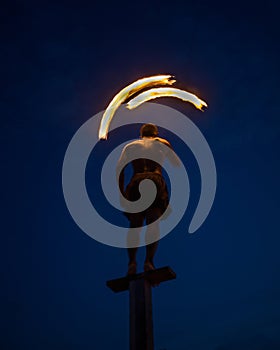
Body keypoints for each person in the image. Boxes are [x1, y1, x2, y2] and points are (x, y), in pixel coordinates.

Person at [116, 123, 180, 275]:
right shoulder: (161, 143)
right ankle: (149, 262)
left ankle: (131, 263)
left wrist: (122, 194)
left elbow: (119, 170)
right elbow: (176, 164)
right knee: (153, 221)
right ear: (155, 133)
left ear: (141, 134)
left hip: (136, 181)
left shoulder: (130, 147)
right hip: (154, 179)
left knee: (135, 224)